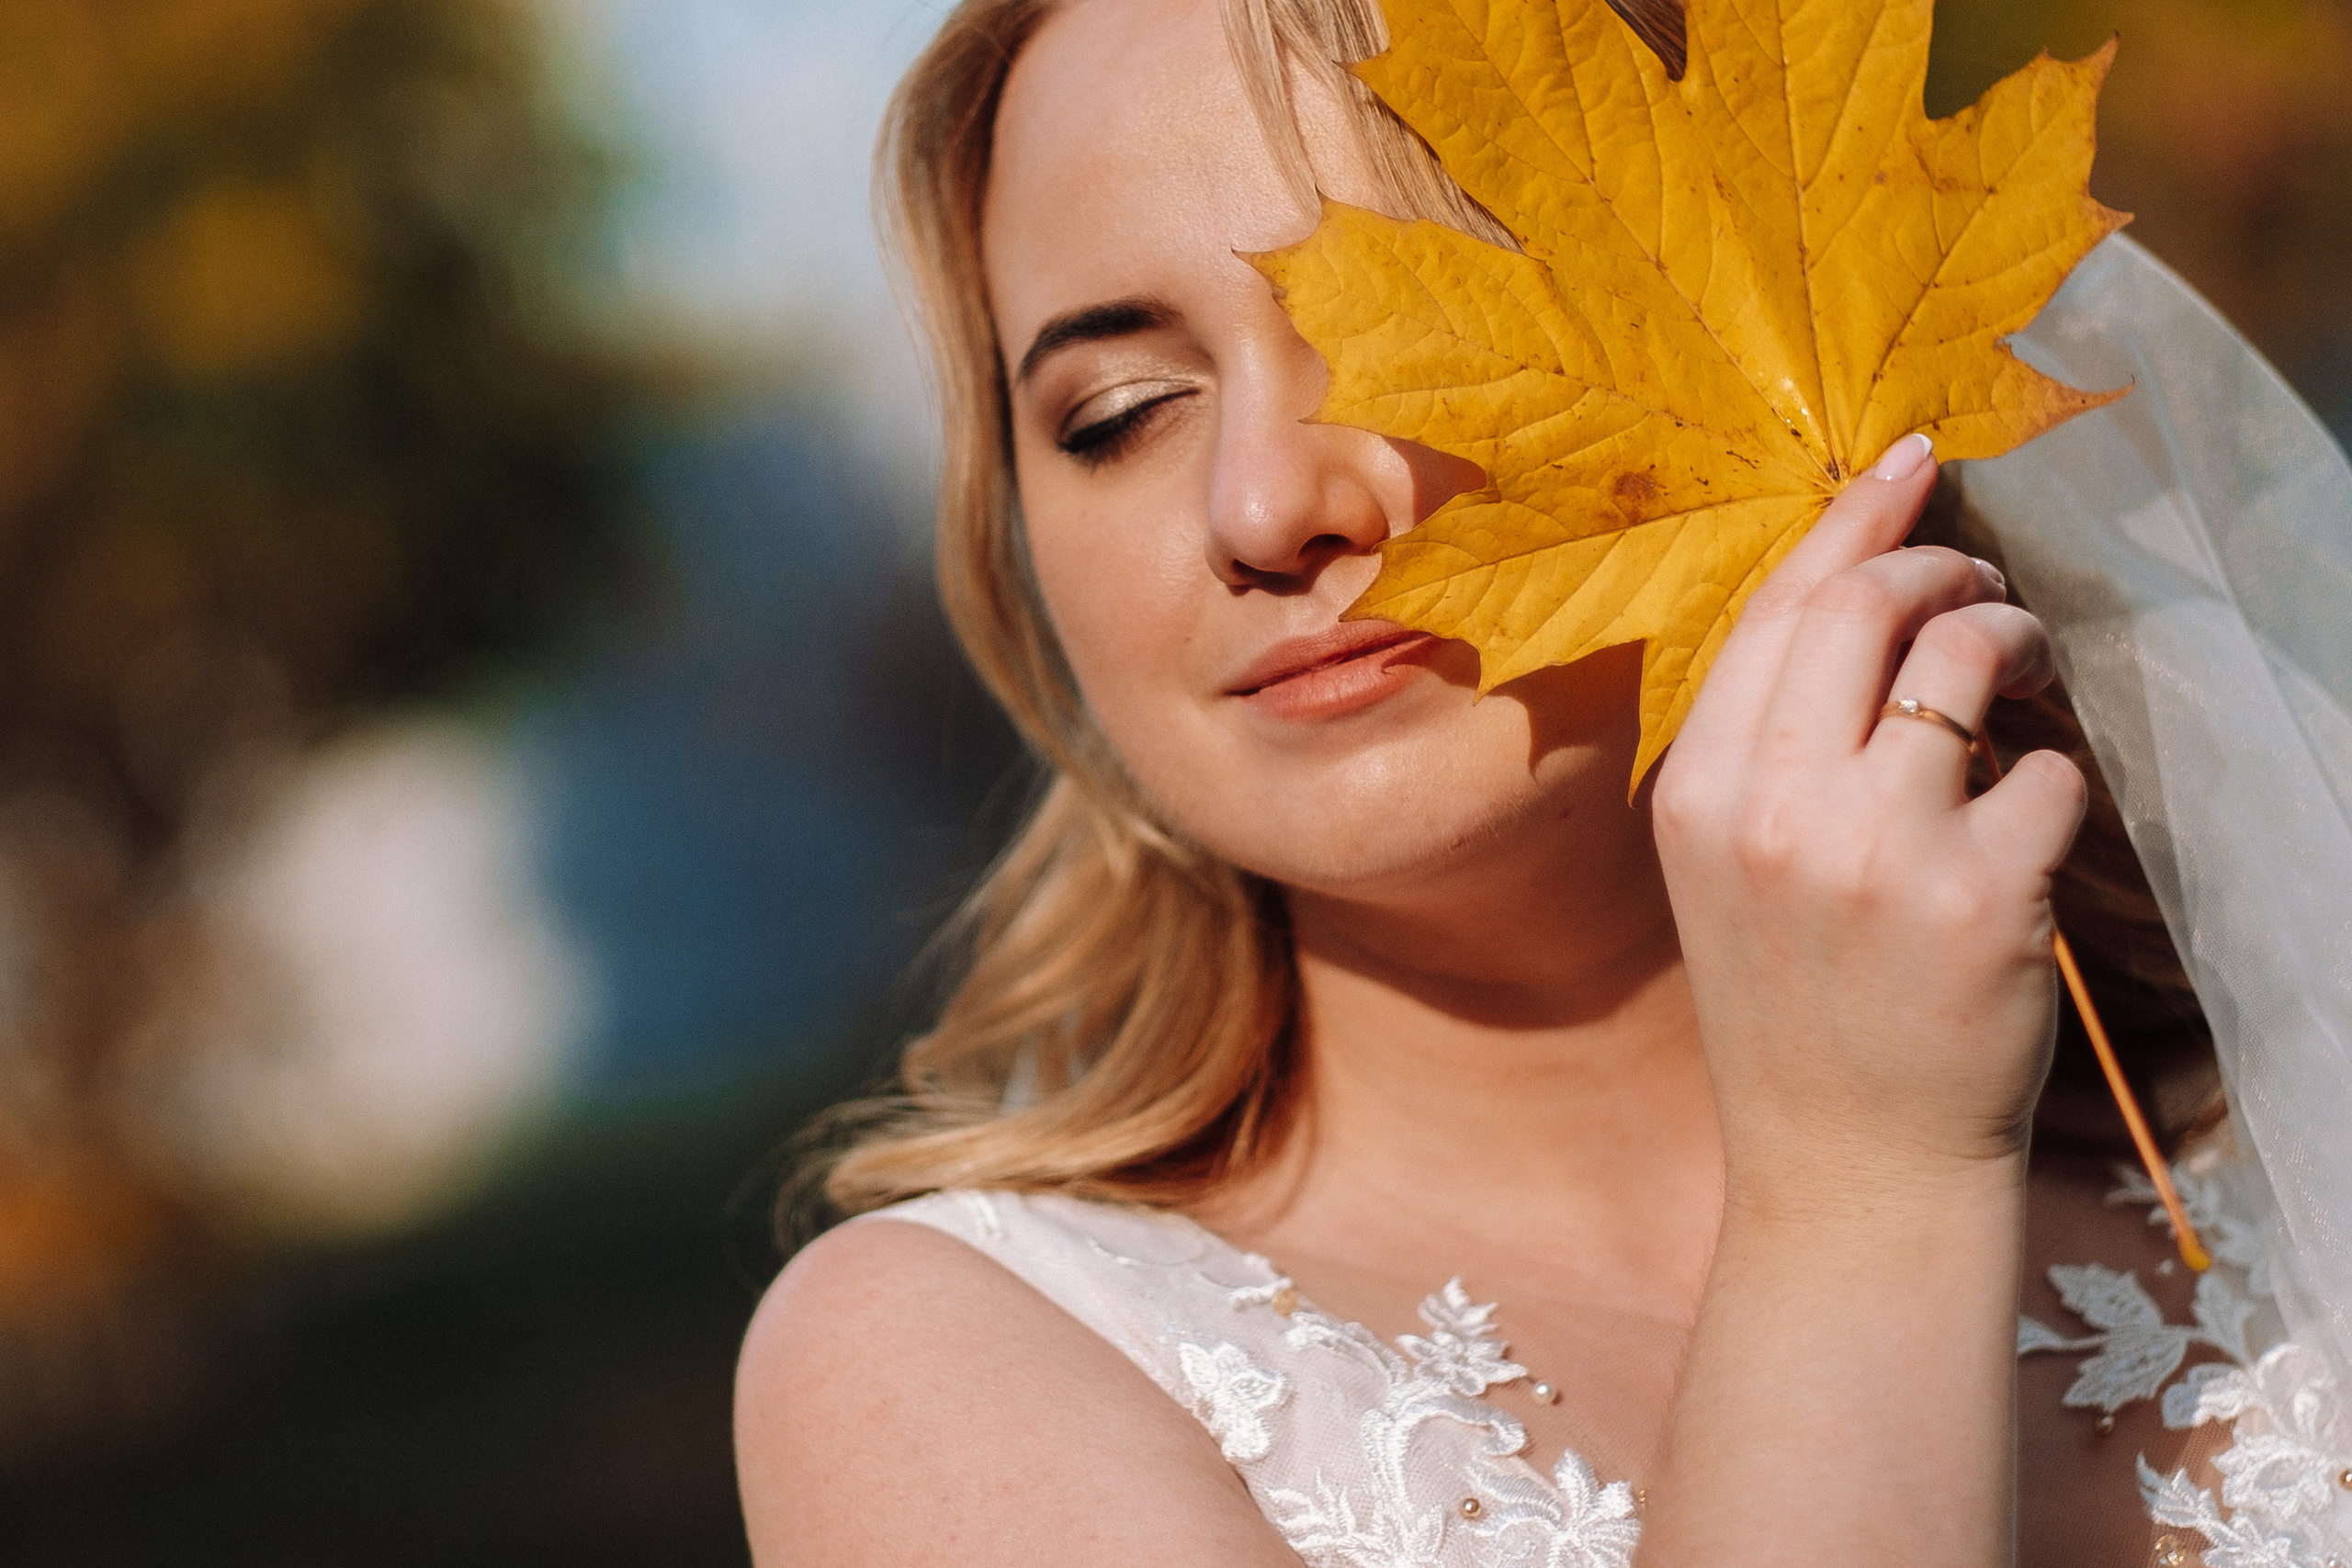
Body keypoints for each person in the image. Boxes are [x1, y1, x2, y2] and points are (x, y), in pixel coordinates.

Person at [736, 1, 2352, 1563]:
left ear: (1766, 341)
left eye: (1417, 329)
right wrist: (1861, 1184)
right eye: (1118, 414)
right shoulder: (948, 1359)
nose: (1262, 501)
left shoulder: (2296, 1128)